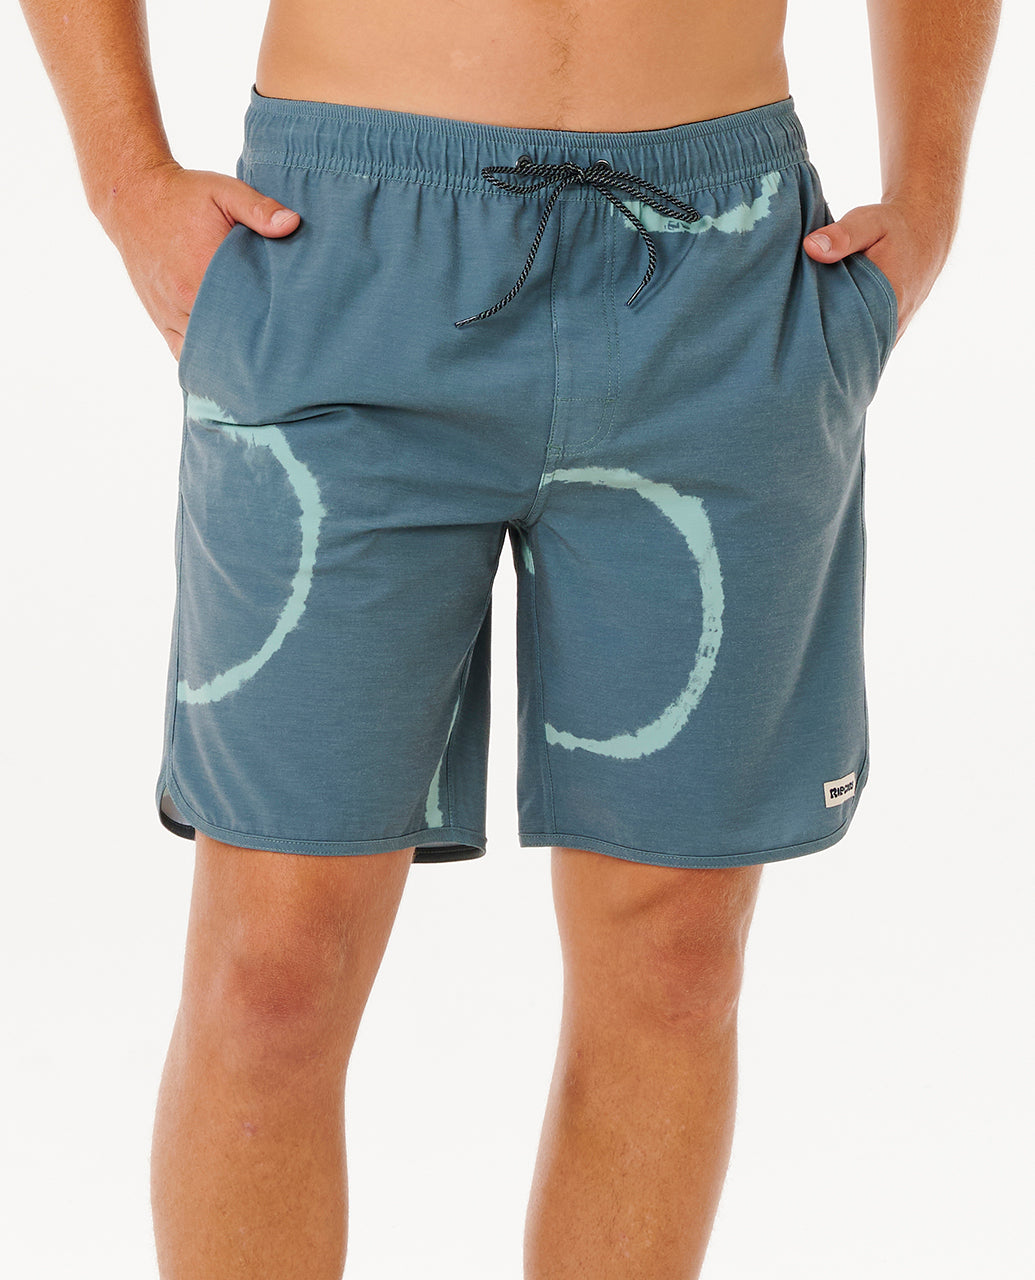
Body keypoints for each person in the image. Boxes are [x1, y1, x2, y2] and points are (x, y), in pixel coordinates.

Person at [19, 0, 1002, 1276]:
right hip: (344, 253)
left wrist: (932, 193)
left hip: (716, 274)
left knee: (674, 961)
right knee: (273, 969)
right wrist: (124, 178)